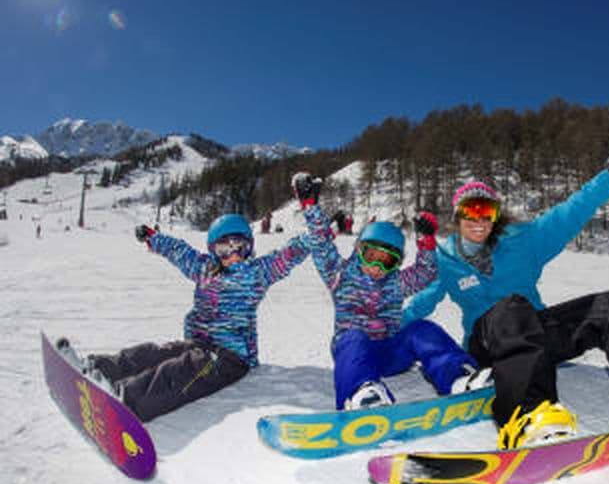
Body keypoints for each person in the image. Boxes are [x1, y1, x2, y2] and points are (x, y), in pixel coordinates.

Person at [403, 136, 609, 449]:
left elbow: (571, 213)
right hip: (487, 345)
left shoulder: (523, 241)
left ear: (495, 216)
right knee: (511, 307)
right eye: (469, 212)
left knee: (606, 307)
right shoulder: (444, 260)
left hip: (533, 336)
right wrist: (380, 329)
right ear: (458, 217)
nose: (478, 220)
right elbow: (419, 306)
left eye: (486, 212)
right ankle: (528, 417)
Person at [292, 172, 491, 410]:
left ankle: (459, 377)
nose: (377, 266)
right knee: (352, 337)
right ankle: (362, 392)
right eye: (371, 256)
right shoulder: (339, 274)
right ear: (359, 250)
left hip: (391, 352)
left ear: (396, 264)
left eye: (387, 261)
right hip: (354, 355)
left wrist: (426, 242)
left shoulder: (396, 282)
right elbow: (321, 245)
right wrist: (310, 207)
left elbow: (425, 273)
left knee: (422, 329)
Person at [82, 214, 310, 422]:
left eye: (239, 247)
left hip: (231, 357)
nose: (233, 256)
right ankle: (100, 368)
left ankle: (126, 399)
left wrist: (313, 231)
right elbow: (178, 251)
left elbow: (289, 254)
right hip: (198, 343)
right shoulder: (204, 268)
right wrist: (153, 237)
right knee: (155, 352)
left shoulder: (258, 273)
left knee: (179, 372)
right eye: (224, 249)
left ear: (249, 248)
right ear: (213, 251)